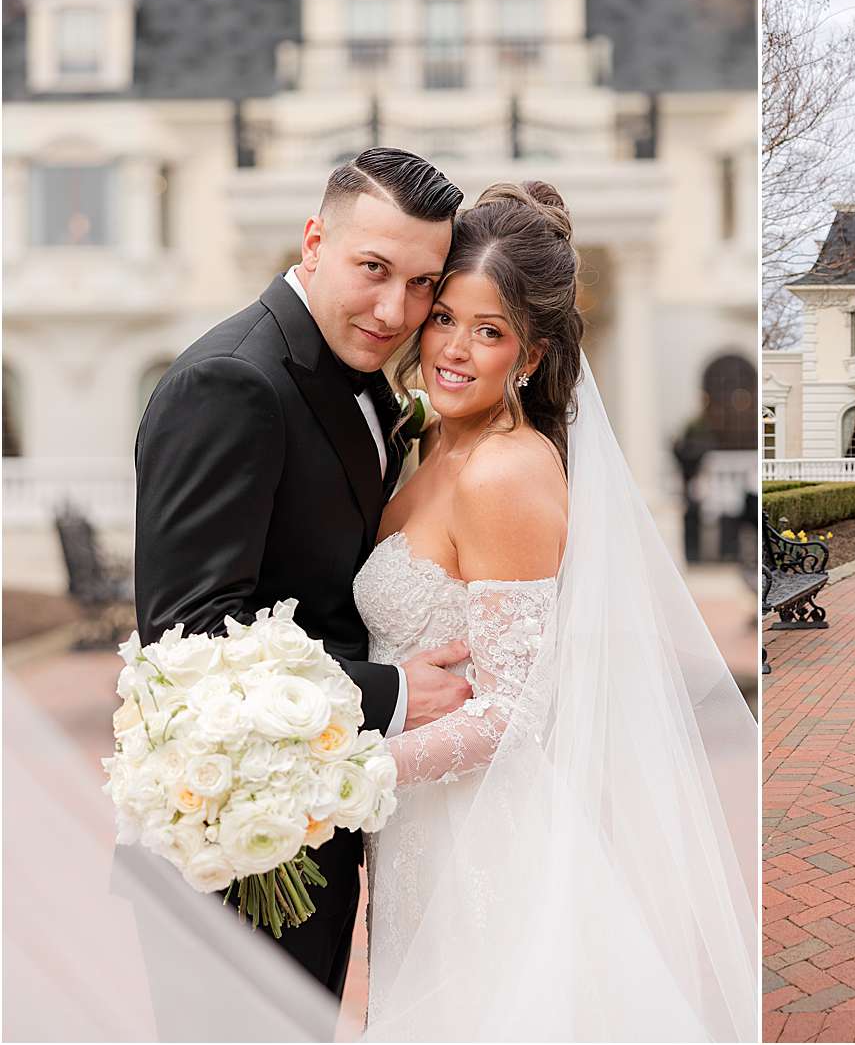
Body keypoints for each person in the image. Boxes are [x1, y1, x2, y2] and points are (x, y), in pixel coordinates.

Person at [358, 182, 758, 1041]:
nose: (456, 350)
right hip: (415, 836)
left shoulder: (507, 473)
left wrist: (345, 777)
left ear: (530, 356)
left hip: (483, 841)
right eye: (445, 320)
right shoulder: (427, 441)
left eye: (490, 332)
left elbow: (513, 712)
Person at [130, 148, 477, 1031]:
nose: (395, 310)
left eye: (421, 283)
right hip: (237, 859)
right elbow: (190, 637)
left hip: (319, 823)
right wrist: (393, 692)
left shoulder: (355, 375)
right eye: (373, 270)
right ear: (315, 240)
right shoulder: (232, 383)